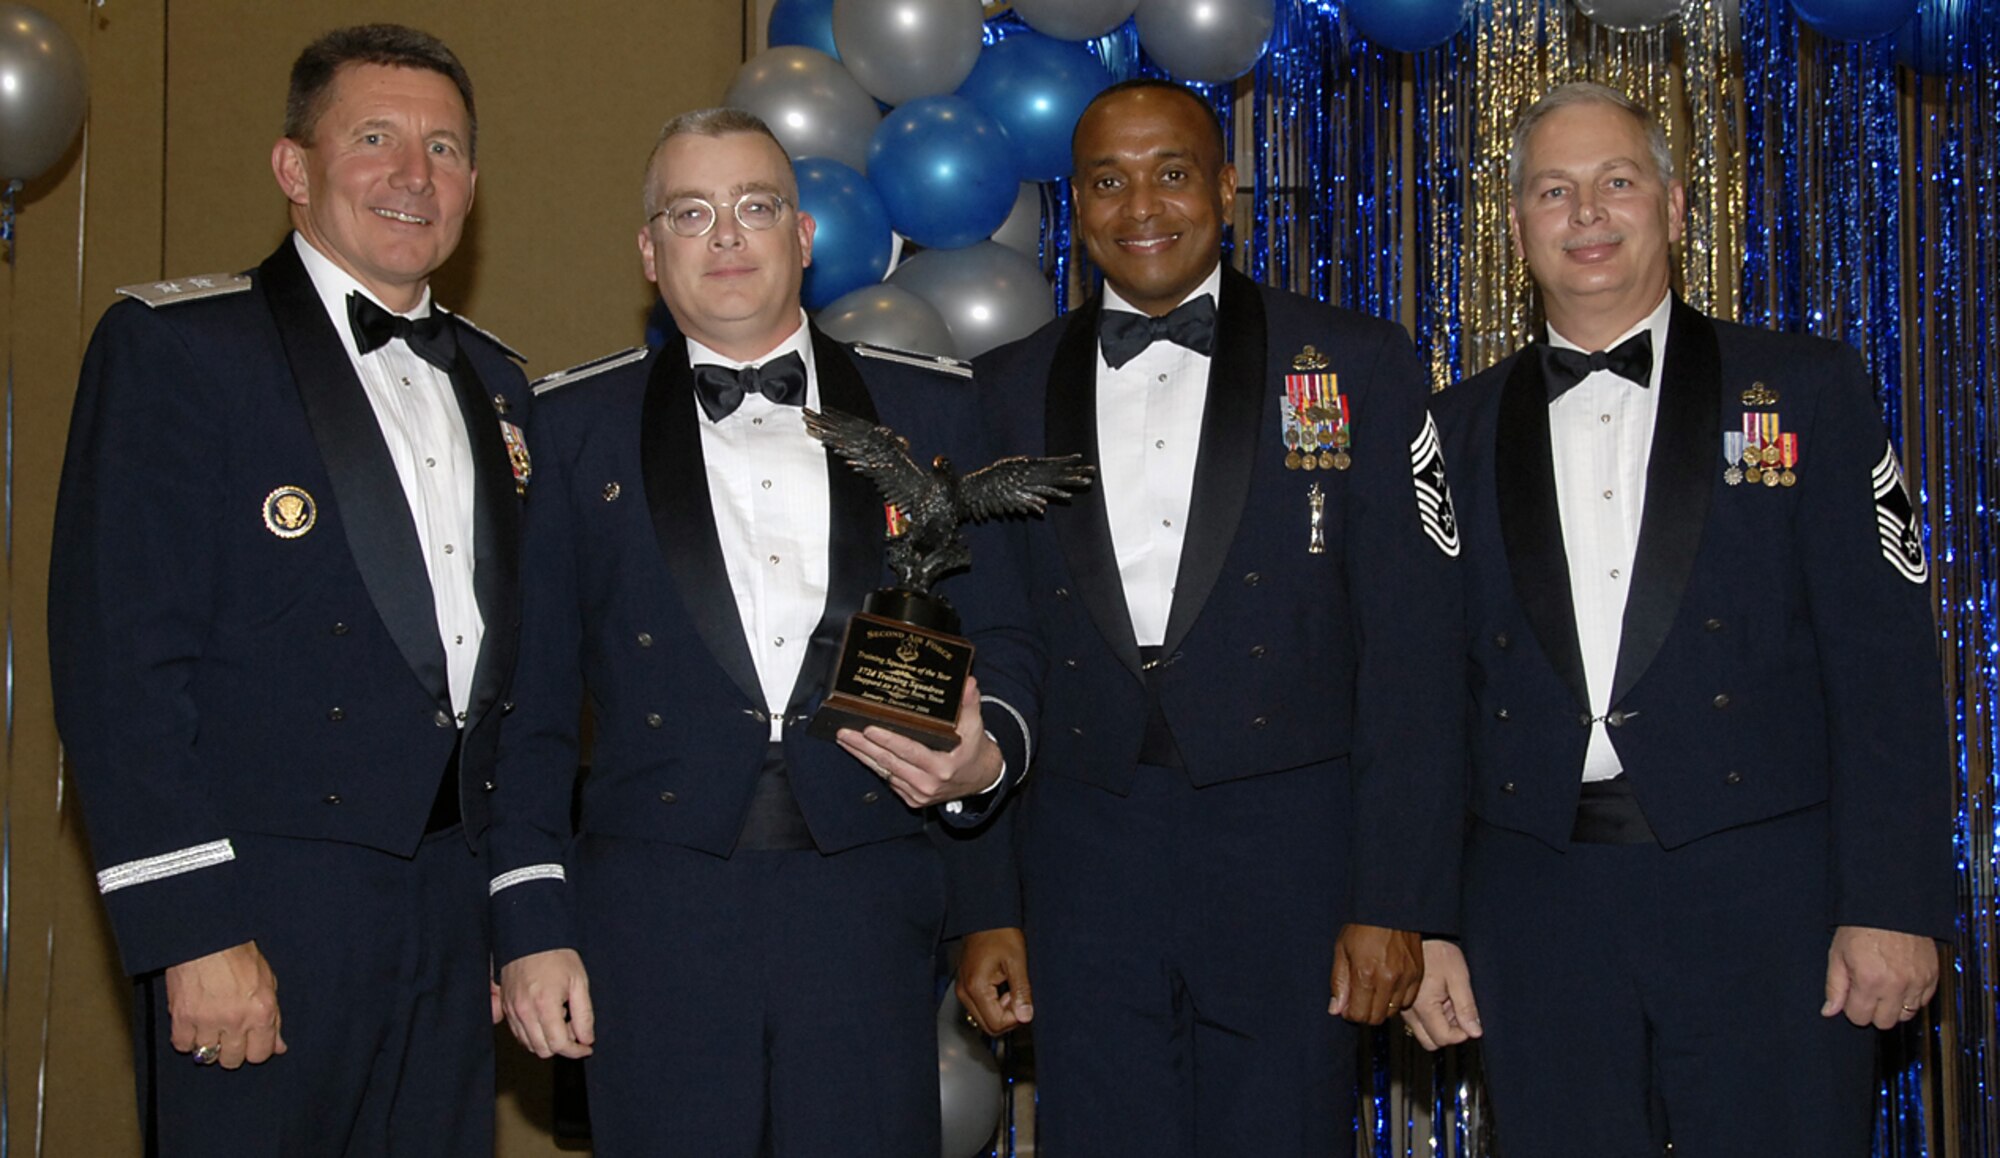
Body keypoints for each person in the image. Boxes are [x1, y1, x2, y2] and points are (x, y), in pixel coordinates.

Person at [485, 107, 1041, 1155]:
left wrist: (983, 760)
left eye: (754, 207)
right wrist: (530, 924)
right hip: (651, 913)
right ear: (649, 252)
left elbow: (1005, 636)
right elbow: (529, 714)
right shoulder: (568, 431)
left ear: (804, 234)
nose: (727, 238)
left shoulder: (936, 414)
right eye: (690, 214)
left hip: (869, 902)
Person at [1413, 81, 1955, 1156]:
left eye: (1615, 181)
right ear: (1515, 224)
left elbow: (1884, 666)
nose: (1585, 213)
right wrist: (1425, 917)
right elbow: (1423, 697)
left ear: (1670, 205)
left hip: (1768, 900)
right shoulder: (1451, 427)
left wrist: (1892, 900)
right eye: (1552, 190)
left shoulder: (1804, 389)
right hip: (1534, 906)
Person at [957, 78, 1465, 1157]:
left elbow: (1412, 656)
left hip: (1296, 857)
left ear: (1226, 191)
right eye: (1107, 180)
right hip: (1079, 862)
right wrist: (982, 905)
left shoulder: (1357, 365)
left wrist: (1395, 897)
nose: (1140, 205)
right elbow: (983, 656)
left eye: (1171, 172)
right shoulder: (998, 390)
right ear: (1075, 207)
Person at [48, 24, 530, 1156]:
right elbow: (121, 670)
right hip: (260, 910)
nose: (415, 176)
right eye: (375, 138)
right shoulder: (179, 352)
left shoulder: (501, 385)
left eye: (446, 148)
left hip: (451, 922)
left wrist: (516, 912)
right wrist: (190, 930)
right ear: (294, 169)